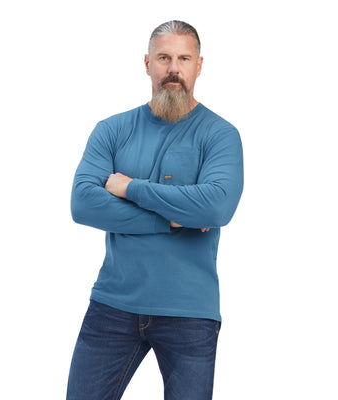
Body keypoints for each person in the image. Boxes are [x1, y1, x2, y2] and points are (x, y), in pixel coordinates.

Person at [66, 20, 243, 400]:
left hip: (190, 311)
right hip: (112, 304)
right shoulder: (112, 129)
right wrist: (175, 219)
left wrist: (129, 188)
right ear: (147, 64)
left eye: (184, 58)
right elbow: (82, 204)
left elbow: (216, 206)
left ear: (199, 65)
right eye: (164, 58)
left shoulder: (220, 135)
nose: (173, 68)